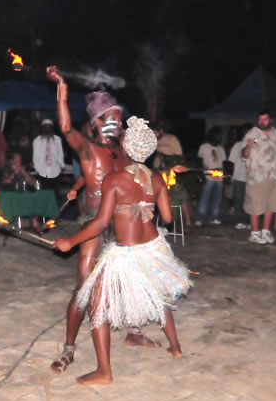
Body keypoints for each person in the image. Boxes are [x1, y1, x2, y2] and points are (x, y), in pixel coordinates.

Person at [53, 117, 190, 384]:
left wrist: (70, 242)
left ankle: (104, 372)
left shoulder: (114, 180)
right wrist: (144, 204)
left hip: (126, 252)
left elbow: (101, 223)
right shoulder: (157, 178)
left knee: (97, 305)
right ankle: (175, 347)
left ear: (126, 147)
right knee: (158, 296)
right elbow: (167, 218)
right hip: (152, 248)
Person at [46, 66, 159, 373]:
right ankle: (69, 349)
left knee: (131, 280)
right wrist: (62, 89)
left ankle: (133, 333)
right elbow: (66, 127)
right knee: (84, 288)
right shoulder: (88, 150)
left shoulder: (125, 153)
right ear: (96, 123)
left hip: (121, 224)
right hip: (93, 224)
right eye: (111, 119)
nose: (118, 124)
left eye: (120, 119)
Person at [242, 110, 276, 244]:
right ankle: (254, 233)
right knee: (255, 205)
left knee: (271, 205)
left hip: (274, 176)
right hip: (257, 177)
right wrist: (248, 146)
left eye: (265, 119)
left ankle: (266, 232)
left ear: (271, 120)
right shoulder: (254, 135)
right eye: (260, 119)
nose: (262, 122)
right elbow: (245, 154)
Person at [152, 120, 192, 227]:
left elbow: (180, 156)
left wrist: (176, 167)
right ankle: (164, 222)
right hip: (159, 173)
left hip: (173, 173)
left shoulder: (172, 139)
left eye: (155, 131)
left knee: (182, 196)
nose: (154, 133)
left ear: (161, 130)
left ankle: (188, 223)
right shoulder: (153, 141)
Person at [195, 127, 226, 226]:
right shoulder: (204, 147)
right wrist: (201, 175)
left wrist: (224, 174)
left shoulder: (221, 149)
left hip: (219, 178)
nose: (219, 137)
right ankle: (200, 218)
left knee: (217, 198)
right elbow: (199, 161)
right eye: (217, 135)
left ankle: (214, 217)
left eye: (220, 136)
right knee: (205, 198)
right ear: (212, 135)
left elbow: (224, 163)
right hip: (208, 177)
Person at [32, 119, 65, 200]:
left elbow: (60, 153)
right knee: (43, 195)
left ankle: (55, 212)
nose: (47, 129)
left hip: (55, 171)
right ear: (42, 128)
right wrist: (38, 170)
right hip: (42, 172)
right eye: (45, 127)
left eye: (49, 127)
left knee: (55, 195)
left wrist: (61, 166)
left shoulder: (57, 139)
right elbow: (35, 157)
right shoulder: (37, 141)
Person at [227, 125, 250, 229]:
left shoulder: (255, 144)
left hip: (251, 178)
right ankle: (240, 221)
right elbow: (231, 162)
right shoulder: (238, 145)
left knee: (249, 201)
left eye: (248, 131)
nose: (246, 134)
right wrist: (230, 176)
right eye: (244, 132)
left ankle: (248, 221)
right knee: (239, 201)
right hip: (238, 177)